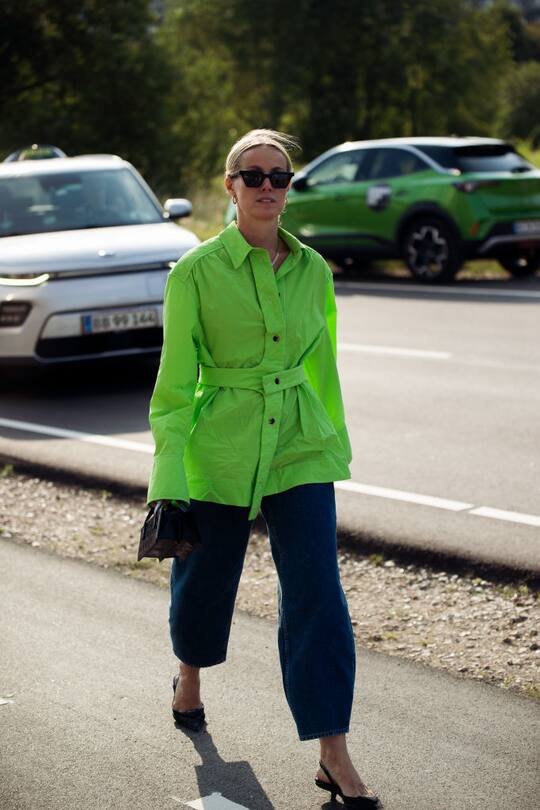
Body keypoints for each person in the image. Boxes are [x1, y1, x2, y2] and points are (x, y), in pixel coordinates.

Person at [147, 129, 379, 807]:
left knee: (318, 594)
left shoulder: (314, 269)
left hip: (299, 446)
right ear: (230, 185)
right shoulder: (194, 272)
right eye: (255, 176)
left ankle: (332, 752)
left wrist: (331, 439)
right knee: (204, 580)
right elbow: (171, 390)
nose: (270, 187)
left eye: (282, 176)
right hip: (219, 445)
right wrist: (168, 483)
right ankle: (187, 674)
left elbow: (321, 367)